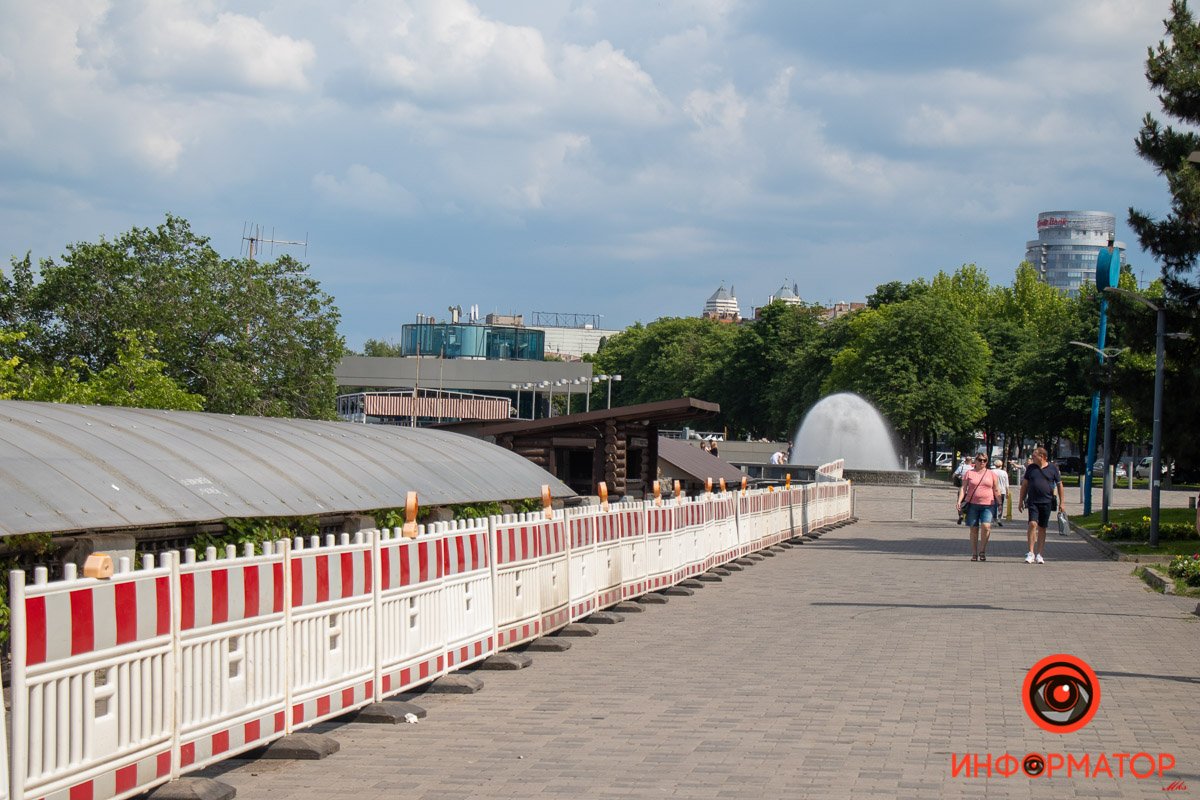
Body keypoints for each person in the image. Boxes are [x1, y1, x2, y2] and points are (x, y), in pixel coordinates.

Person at [1018, 447, 1066, 564]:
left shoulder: (1052, 468)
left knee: (1042, 527)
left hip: (1047, 501)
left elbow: (1059, 485)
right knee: (1032, 524)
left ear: (1042, 457)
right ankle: (1030, 552)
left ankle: (1039, 554)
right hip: (1033, 501)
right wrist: (1021, 500)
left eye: (1034, 456)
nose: (1032, 458)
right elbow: (1025, 485)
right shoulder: (1031, 468)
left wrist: (1062, 502)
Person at [956, 453, 998, 561]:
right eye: (980, 460)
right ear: (976, 460)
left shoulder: (991, 474)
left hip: (988, 504)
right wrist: (959, 501)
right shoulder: (969, 473)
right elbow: (963, 488)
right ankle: (974, 553)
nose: (982, 462)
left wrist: (1000, 503)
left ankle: (982, 550)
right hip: (972, 504)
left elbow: (996, 490)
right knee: (974, 529)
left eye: (985, 460)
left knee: (986, 526)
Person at [990, 461, 1010, 527]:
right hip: (1002, 491)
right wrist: (1007, 492)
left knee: (993, 505)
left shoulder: (991, 472)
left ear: (994, 465)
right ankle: (999, 518)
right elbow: (1007, 484)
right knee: (1000, 505)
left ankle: (994, 519)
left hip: (993, 490)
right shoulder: (1004, 473)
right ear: (1001, 465)